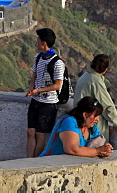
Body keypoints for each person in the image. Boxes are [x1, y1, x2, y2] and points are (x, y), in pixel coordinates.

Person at [74, 54, 117, 141]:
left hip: (82, 121)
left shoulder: (85, 76)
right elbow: (107, 106)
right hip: (92, 123)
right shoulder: (96, 81)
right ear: (106, 69)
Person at [25, 27, 65, 158]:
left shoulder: (58, 63)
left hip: (48, 103)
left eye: (38, 40)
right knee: (31, 131)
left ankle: (34, 161)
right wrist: (32, 89)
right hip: (36, 100)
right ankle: (28, 159)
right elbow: (34, 75)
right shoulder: (38, 58)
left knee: (40, 134)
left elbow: (58, 85)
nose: (36, 42)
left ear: (44, 43)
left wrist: (39, 90)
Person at [38, 96, 114, 158]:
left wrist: (105, 149)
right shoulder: (69, 122)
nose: (97, 119)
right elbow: (71, 149)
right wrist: (97, 151)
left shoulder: (93, 129)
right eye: (95, 116)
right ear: (85, 115)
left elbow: (96, 146)